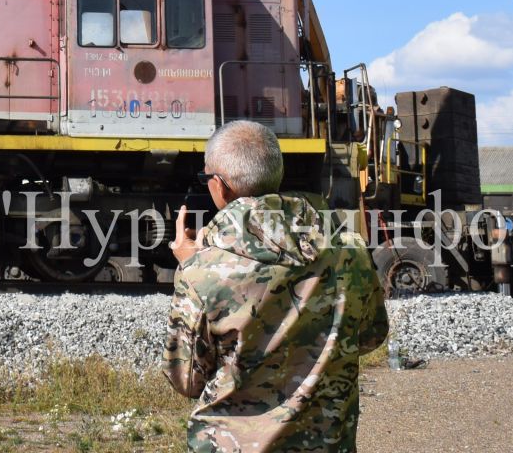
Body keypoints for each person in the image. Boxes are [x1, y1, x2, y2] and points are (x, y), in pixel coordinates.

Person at [165, 120, 388, 453]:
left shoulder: (202, 271)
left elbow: (186, 379)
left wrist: (190, 266)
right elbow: (371, 336)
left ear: (220, 187)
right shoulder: (350, 250)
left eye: (206, 178)